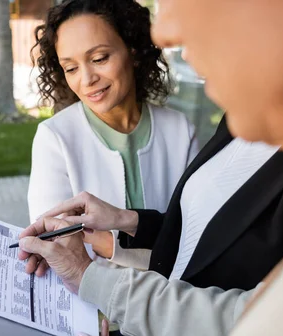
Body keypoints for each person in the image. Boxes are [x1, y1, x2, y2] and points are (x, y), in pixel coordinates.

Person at [21, 0, 283, 336]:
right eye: (71, 66)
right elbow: (196, 232)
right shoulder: (240, 121)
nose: (166, 31)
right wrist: (128, 221)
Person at [27, 0, 196, 278]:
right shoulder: (54, 139)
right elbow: (58, 253)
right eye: (71, 68)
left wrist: (107, 245)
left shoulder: (180, 130)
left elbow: (197, 238)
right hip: (95, 313)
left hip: (175, 305)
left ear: (134, 51)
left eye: (99, 58)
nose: (87, 78)